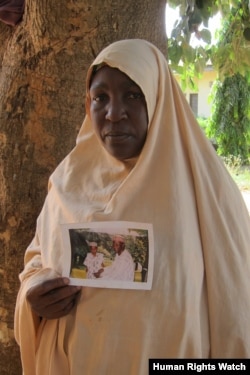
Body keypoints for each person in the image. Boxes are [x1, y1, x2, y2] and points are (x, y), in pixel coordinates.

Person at [14, 39, 250, 375]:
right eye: (100, 98)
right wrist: (34, 297)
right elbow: (37, 260)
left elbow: (236, 304)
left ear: (157, 97)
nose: (113, 113)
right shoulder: (67, 182)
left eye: (132, 95)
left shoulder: (206, 192)